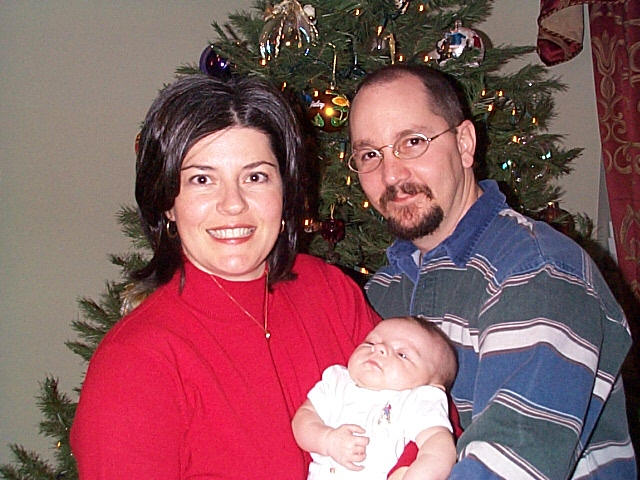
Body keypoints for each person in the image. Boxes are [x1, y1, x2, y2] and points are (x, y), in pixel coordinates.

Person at [70, 74, 381, 479]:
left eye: (255, 177)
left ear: (284, 190)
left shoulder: (329, 291)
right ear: (167, 202)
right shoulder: (135, 362)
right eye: (202, 179)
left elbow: (418, 420)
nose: (233, 204)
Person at [347, 64, 636, 479]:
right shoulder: (383, 289)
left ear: (465, 144)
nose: (391, 174)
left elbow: (509, 466)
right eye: (370, 155)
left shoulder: (538, 270)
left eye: (412, 142)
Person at [292, 316, 457, 480]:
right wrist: (327, 440)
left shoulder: (415, 400)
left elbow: (439, 445)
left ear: (430, 386)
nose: (379, 348)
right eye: (370, 343)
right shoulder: (337, 382)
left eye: (402, 354)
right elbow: (304, 417)